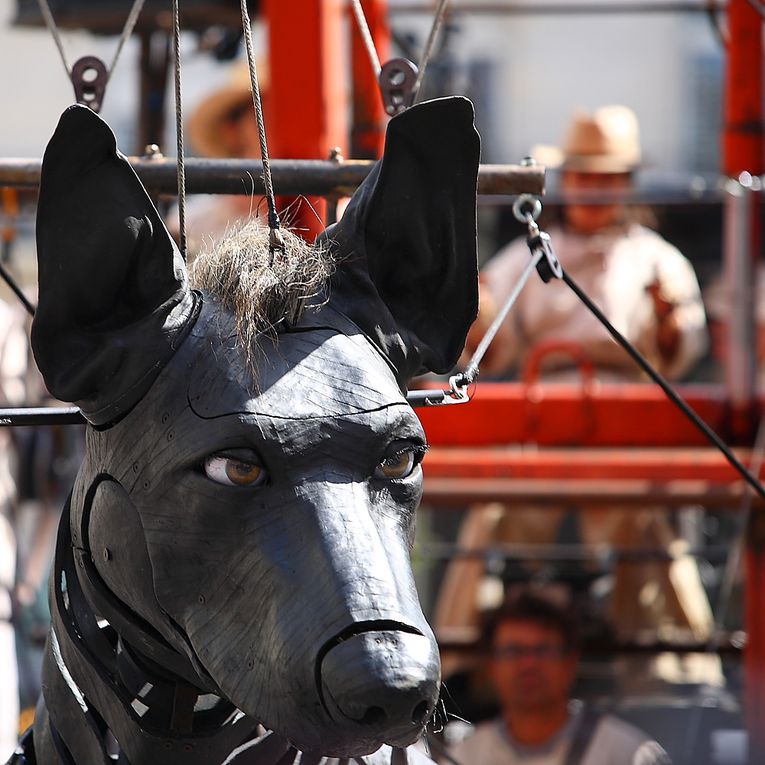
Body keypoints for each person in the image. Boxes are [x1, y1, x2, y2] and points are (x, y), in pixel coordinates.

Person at [436, 107, 716, 675]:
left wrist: (667, 326)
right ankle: (463, 653)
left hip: (628, 432)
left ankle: (669, 663)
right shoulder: (527, 254)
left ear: (626, 185)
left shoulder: (658, 259)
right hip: (539, 424)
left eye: (608, 178)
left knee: (648, 527)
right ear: (568, 181)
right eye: (586, 176)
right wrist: (478, 314)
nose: (595, 190)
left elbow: (683, 350)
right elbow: (490, 343)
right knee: (491, 515)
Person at [448, 588, 671, 765]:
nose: (528, 664)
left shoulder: (627, 753)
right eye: (513, 651)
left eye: (543, 650)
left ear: (571, 662)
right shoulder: (465, 756)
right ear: (491, 666)